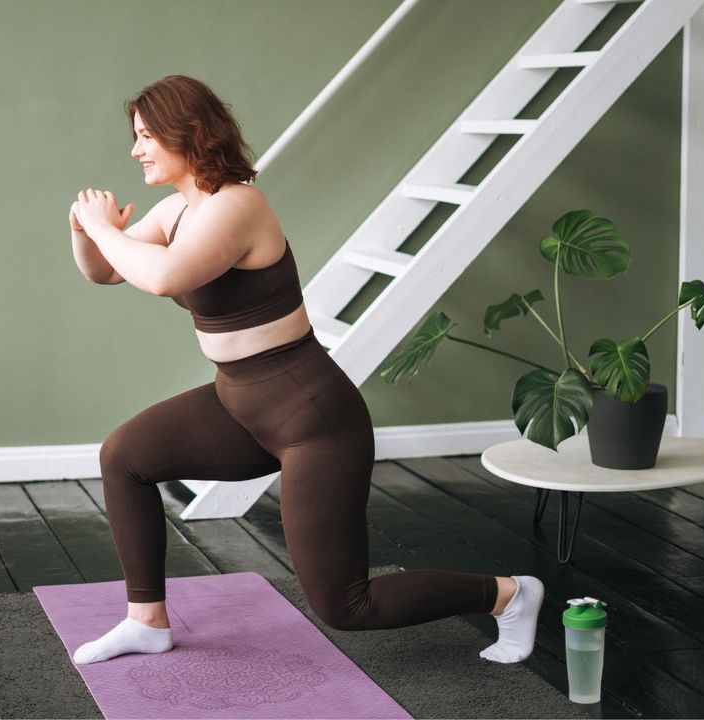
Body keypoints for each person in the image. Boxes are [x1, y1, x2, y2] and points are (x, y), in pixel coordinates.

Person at [67, 75, 543, 666]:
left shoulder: (237, 206)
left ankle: (509, 595)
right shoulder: (176, 212)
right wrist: (83, 231)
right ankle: (146, 621)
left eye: (145, 137)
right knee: (124, 455)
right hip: (238, 402)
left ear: (184, 132)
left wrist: (107, 230)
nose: (136, 150)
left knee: (347, 605)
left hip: (311, 418)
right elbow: (104, 271)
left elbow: (163, 277)